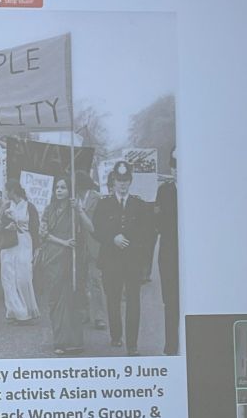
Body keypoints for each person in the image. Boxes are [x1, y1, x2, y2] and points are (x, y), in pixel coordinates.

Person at [93, 160, 153, 355]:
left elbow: (147, 233)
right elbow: (97, 230)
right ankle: (116, 335)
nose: (122, 184)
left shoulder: (139, 205)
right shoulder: (104, 204)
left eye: (126, 180)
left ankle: (132, 344)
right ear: (114, 181)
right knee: (113, 299)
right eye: (119, 180)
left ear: (130, 181)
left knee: (134, 301)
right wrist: (113, 238)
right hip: (111, 260)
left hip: (132, 261)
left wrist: (141, 257)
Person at [39, 176, 84, 355]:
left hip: (71, 259)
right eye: (57, 187)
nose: (59, 190)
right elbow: (43, 233)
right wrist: (64, 242)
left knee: (71, 297)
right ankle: (59, 341)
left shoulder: (74, 211)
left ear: (69, 191)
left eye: (63, 187)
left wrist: (78, 209)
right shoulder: (48, 209)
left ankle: (74, 341)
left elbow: (89, 228)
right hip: (53, 258)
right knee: (56, 299)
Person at [0, 180, 40, 325]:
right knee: (9, 278)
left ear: (12, 190)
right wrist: (7, 226)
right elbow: (1, 225)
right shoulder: (6, 207)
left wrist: (37, 247)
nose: (5, 193)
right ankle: (15, 311)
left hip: (24, 242)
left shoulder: (29, 207)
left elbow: (35, 227)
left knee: (24, 277)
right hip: (9, 244)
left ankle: (28, 310)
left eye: (7, 190)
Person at [74, 171, 107, 331]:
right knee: (80, 280)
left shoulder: (97, 198)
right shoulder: (73, 199)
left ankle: (99, 316)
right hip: (78, 245)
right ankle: (84, 312)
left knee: (95, 280)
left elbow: (97, 224)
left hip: (94, 245)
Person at [155, 152, 179, 355]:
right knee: (170, 301)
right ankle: (171, 345)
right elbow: (157, 223)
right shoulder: (164, 191)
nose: (178, 170)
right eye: (175, 165)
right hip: (169, 253)